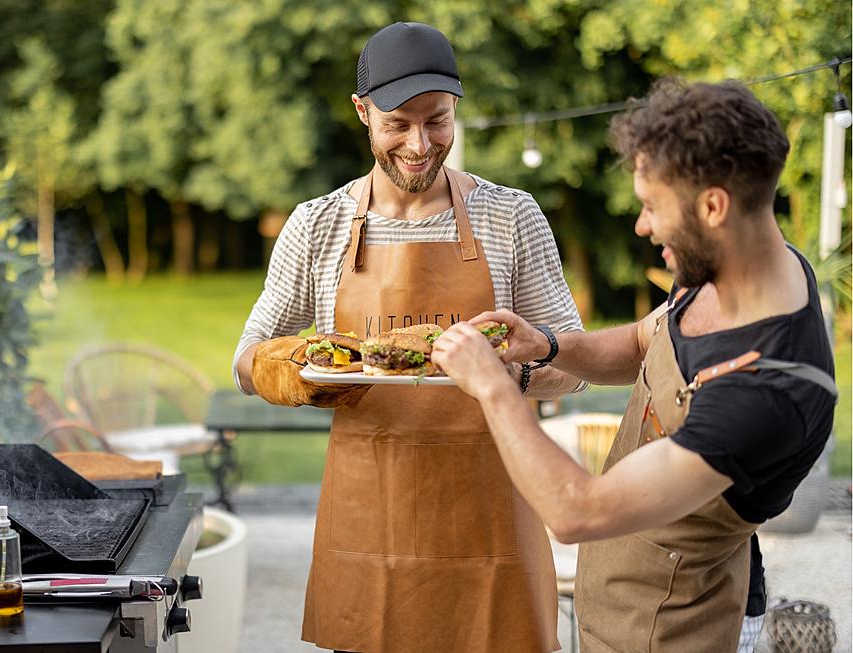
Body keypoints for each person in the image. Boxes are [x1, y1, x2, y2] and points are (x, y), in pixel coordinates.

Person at [432, 79, 837, 653]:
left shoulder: (765, 394)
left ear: (713, 206)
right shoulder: (730, 267)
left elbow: (575, 512)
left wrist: (493, 387)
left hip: (675, 632)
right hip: (619, 609)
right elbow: (646, 342)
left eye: (652, 207)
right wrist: (548, 345)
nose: (642, 227)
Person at [233, 21, 587, 653]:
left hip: (493, 520)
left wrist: (514, 370)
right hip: (369, 526)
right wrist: (303, 375)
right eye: (398, 123)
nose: (420, 145)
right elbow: (246, 358)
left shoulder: (513, 217)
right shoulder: (317, 225)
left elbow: (574, 361)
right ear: (362, 112)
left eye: (439, 120)